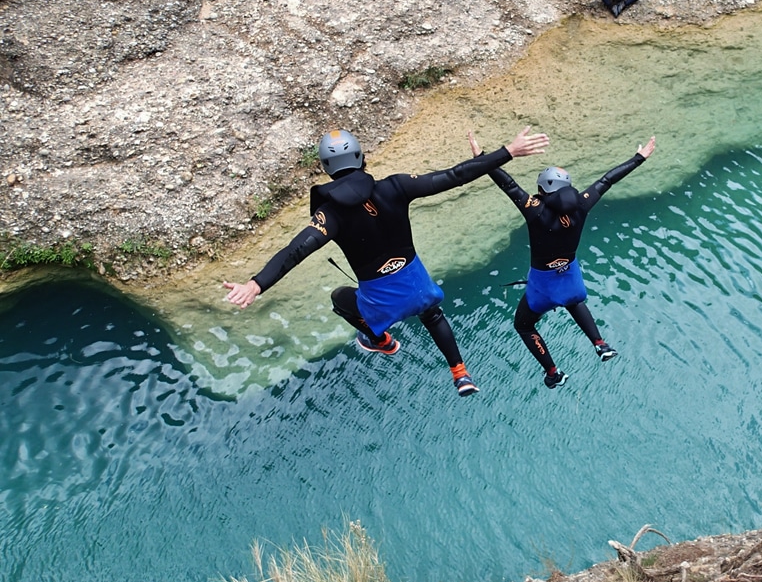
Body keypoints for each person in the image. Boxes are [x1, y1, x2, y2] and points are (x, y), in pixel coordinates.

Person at [223, 126, 549, 397]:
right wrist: (508, 150)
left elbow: (295, 251)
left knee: (340, 297)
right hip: (421, 289)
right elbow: (453, 176)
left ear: (325, 168)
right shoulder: (396, 186)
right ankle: (461, 374)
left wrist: (256, 284)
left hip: (381, 306)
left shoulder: (330, 215)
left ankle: (381, 341)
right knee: (431, 313)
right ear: (362, 158)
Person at [470, 134, 656, 388]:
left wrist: (482, 159)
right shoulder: (582, 204)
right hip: (571, 279)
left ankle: (553, 372)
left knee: (524, 326)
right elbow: (607, 180)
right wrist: (639, 158)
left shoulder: (535, 209)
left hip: (541, 289)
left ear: (543, 191)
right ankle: (600, 344)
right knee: (573, 300)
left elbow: (509, 185)